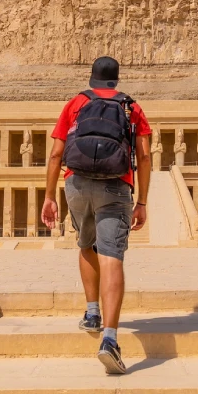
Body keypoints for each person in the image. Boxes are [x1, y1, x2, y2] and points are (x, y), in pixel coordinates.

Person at [41, 56, 151, 374]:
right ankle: (110, 339)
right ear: (116, 80)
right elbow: (143, 156)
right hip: (116, 187)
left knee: (86, 243)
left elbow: (56, 153)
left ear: (92, 79)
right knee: (112, 256)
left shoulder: (77, 103)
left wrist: (49, 196)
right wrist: (142, 200)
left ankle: (92, 313)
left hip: (75, 184)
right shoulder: (131, 108)